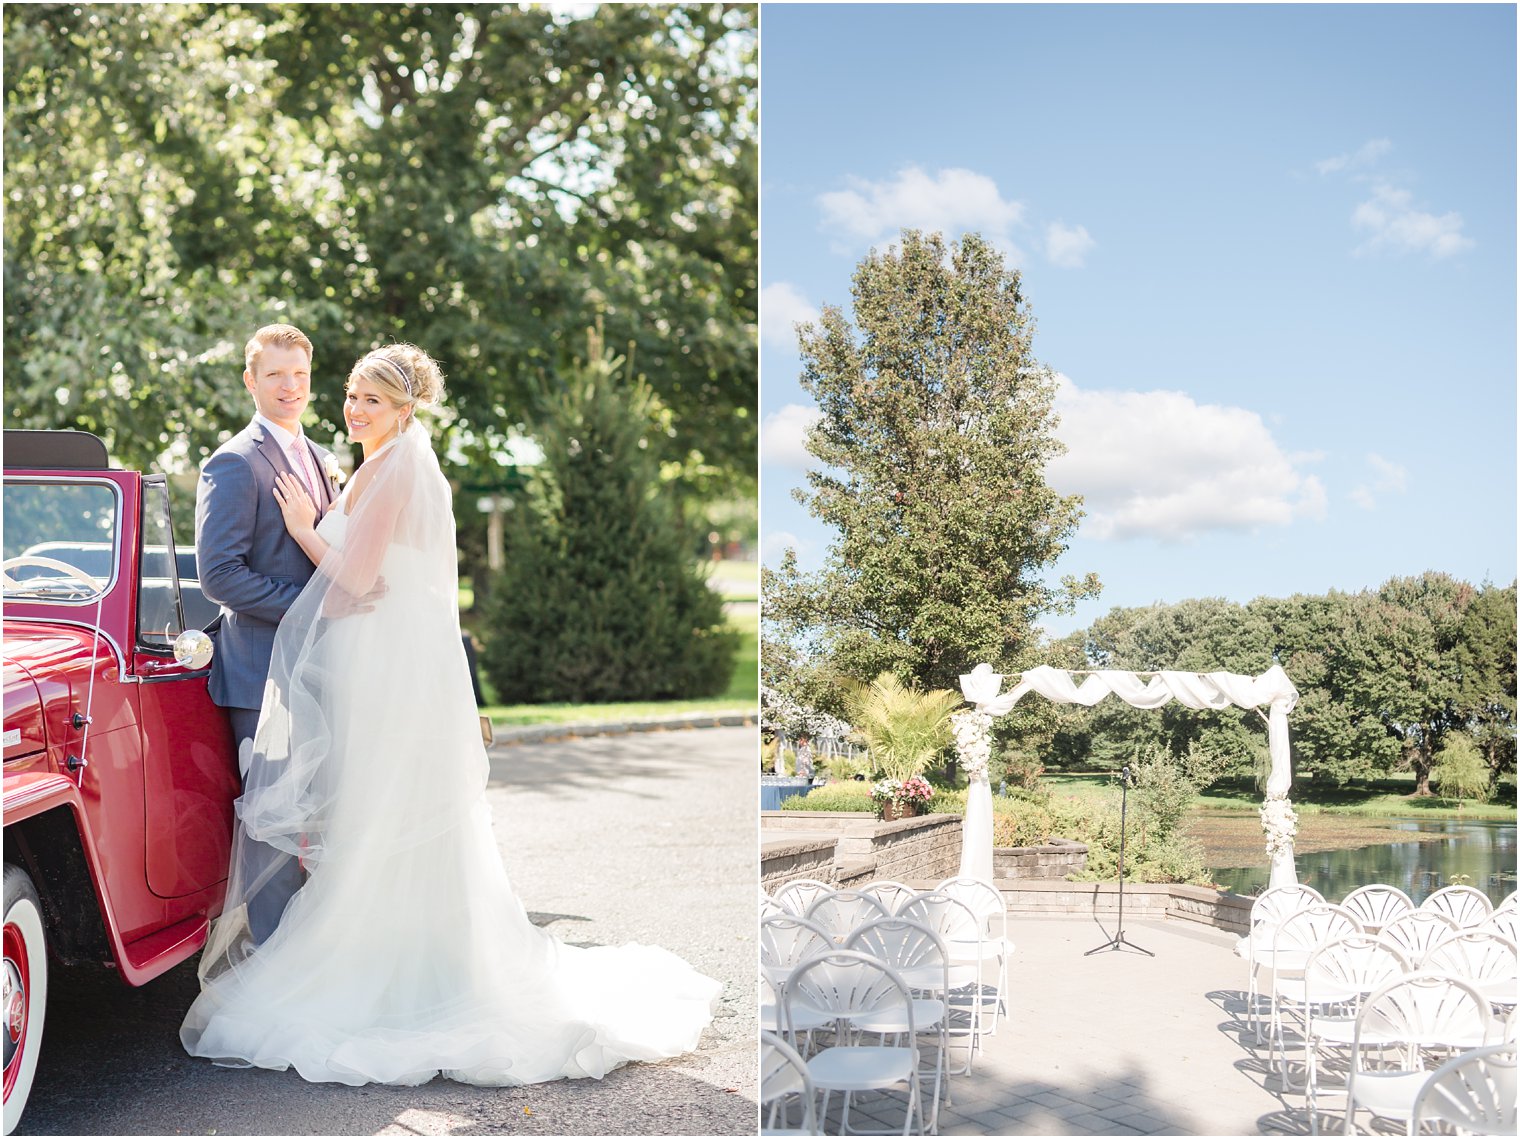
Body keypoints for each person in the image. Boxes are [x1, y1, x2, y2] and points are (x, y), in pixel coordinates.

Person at [181, 344, 720, 1086]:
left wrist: (308, 527)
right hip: (358, 668)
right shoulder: (366, 463)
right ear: (253, 380)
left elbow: (356, 578)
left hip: (375, 670)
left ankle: (391, 973)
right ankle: (405, 957)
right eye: (351, 394)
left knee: (379, 817)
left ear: (404, 407)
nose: (352, 408)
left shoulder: (391, 466)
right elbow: (245, 572)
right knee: (369, 817)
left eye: (369, 399)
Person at [195, 323, 348, 942]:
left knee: (319, 819)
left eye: (301, 376)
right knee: (271, 826)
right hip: (260, 675)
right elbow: (220, 577)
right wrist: (315, 604)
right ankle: (270, 967)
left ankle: (311, 954)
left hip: (319, 669)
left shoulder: (317, 457)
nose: (290, 388)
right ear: (250, 380)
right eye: (276, 375)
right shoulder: (233, 462)